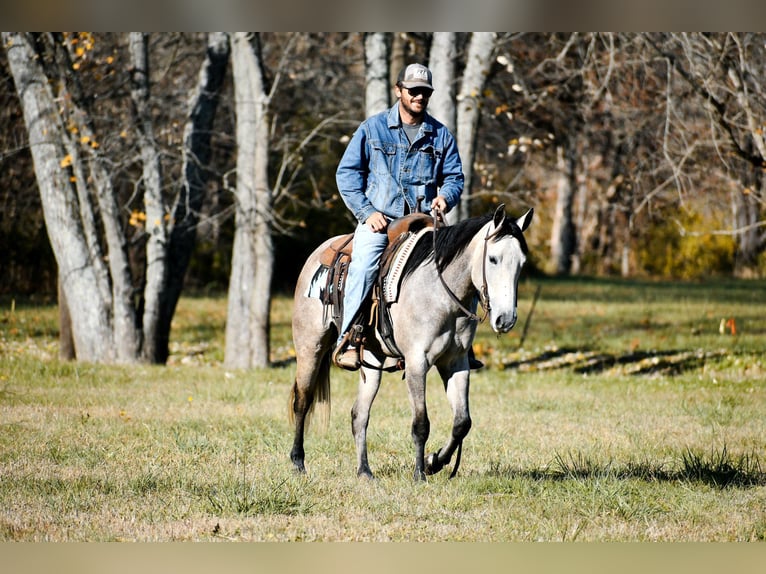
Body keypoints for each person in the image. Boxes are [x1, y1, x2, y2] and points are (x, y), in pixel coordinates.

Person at [332, 63, 465, 370]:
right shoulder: (372, 128)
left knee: (458, 266)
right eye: (413, 90)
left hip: (425, 223)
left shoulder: (441, 135)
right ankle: (352, 337)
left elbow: (455, 177)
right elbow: (347, 174)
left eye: (425, 92)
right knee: (364, 265)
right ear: (399, 91)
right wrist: (367, 213)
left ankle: (459, 346)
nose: (419, 96)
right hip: (382, 222)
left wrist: (446, 196)